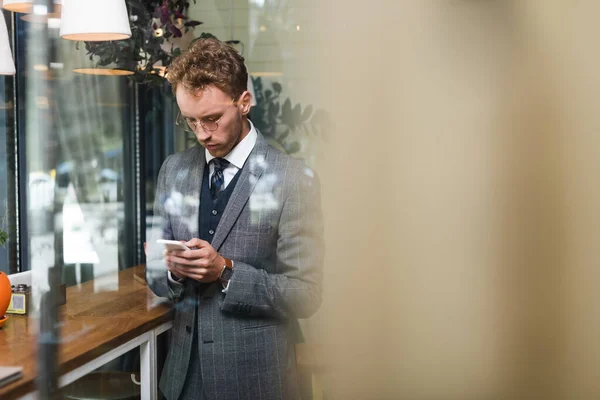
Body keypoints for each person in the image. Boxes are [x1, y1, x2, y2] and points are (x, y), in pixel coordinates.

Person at [145, 37, 324, 400]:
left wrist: (226, 271)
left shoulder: (293, 179)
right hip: (179, 380)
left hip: (255, 381)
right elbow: (155, 275)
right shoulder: (173, 170)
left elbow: (307, 295)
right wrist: (172, 270)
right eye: (190, 121)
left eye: (212, 119)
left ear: (244, 103)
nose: (202, 134)